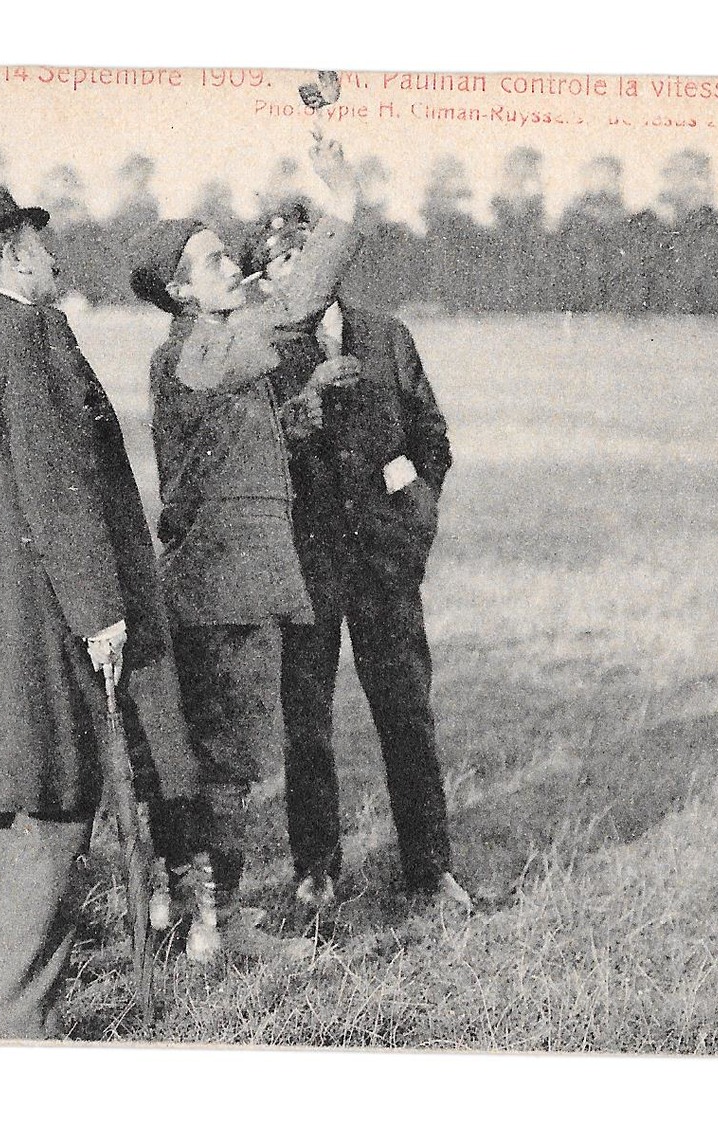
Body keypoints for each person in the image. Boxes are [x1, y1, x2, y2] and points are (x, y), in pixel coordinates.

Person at [0, 181, 195, 1039]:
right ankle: (19, 1030)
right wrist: (99, 610)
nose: (51, 254)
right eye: (39, 239)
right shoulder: (35, 333)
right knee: (54, 807)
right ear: (15, 252)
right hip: (48, 612)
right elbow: (59, 480)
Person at [128, 138, 363, 956]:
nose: (232, 266)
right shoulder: (194, 349)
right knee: (222, 765)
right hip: (224, 589)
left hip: (215, 583)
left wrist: (301, 402)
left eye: (226, 254)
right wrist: (343, 205)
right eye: (210, 262)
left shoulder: (207, 353)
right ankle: (214, 926)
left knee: (200, 761)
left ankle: (182, 912)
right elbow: (293, 307)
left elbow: (228, 456)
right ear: (177, 292)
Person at [240, 205, 472, 914]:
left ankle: (429, 872)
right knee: (305, 725)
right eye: (279, 263)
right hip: (305, 570)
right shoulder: (260, 352)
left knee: (405, 713)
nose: (297, 271)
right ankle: (315, 870)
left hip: (383, 566)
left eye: (304, 254)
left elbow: (430, 441)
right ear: (265, 280)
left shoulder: (387, 337)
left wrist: (413, 524)